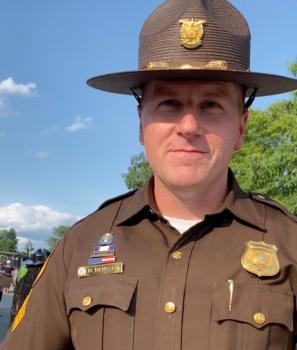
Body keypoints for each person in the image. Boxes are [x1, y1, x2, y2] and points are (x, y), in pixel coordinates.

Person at [2, 0, 297, 349]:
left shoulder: (290, 244)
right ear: (141, 123)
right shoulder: (79, 246)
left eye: (211, 105)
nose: (189, 126)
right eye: (169, 104)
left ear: (241, 128)